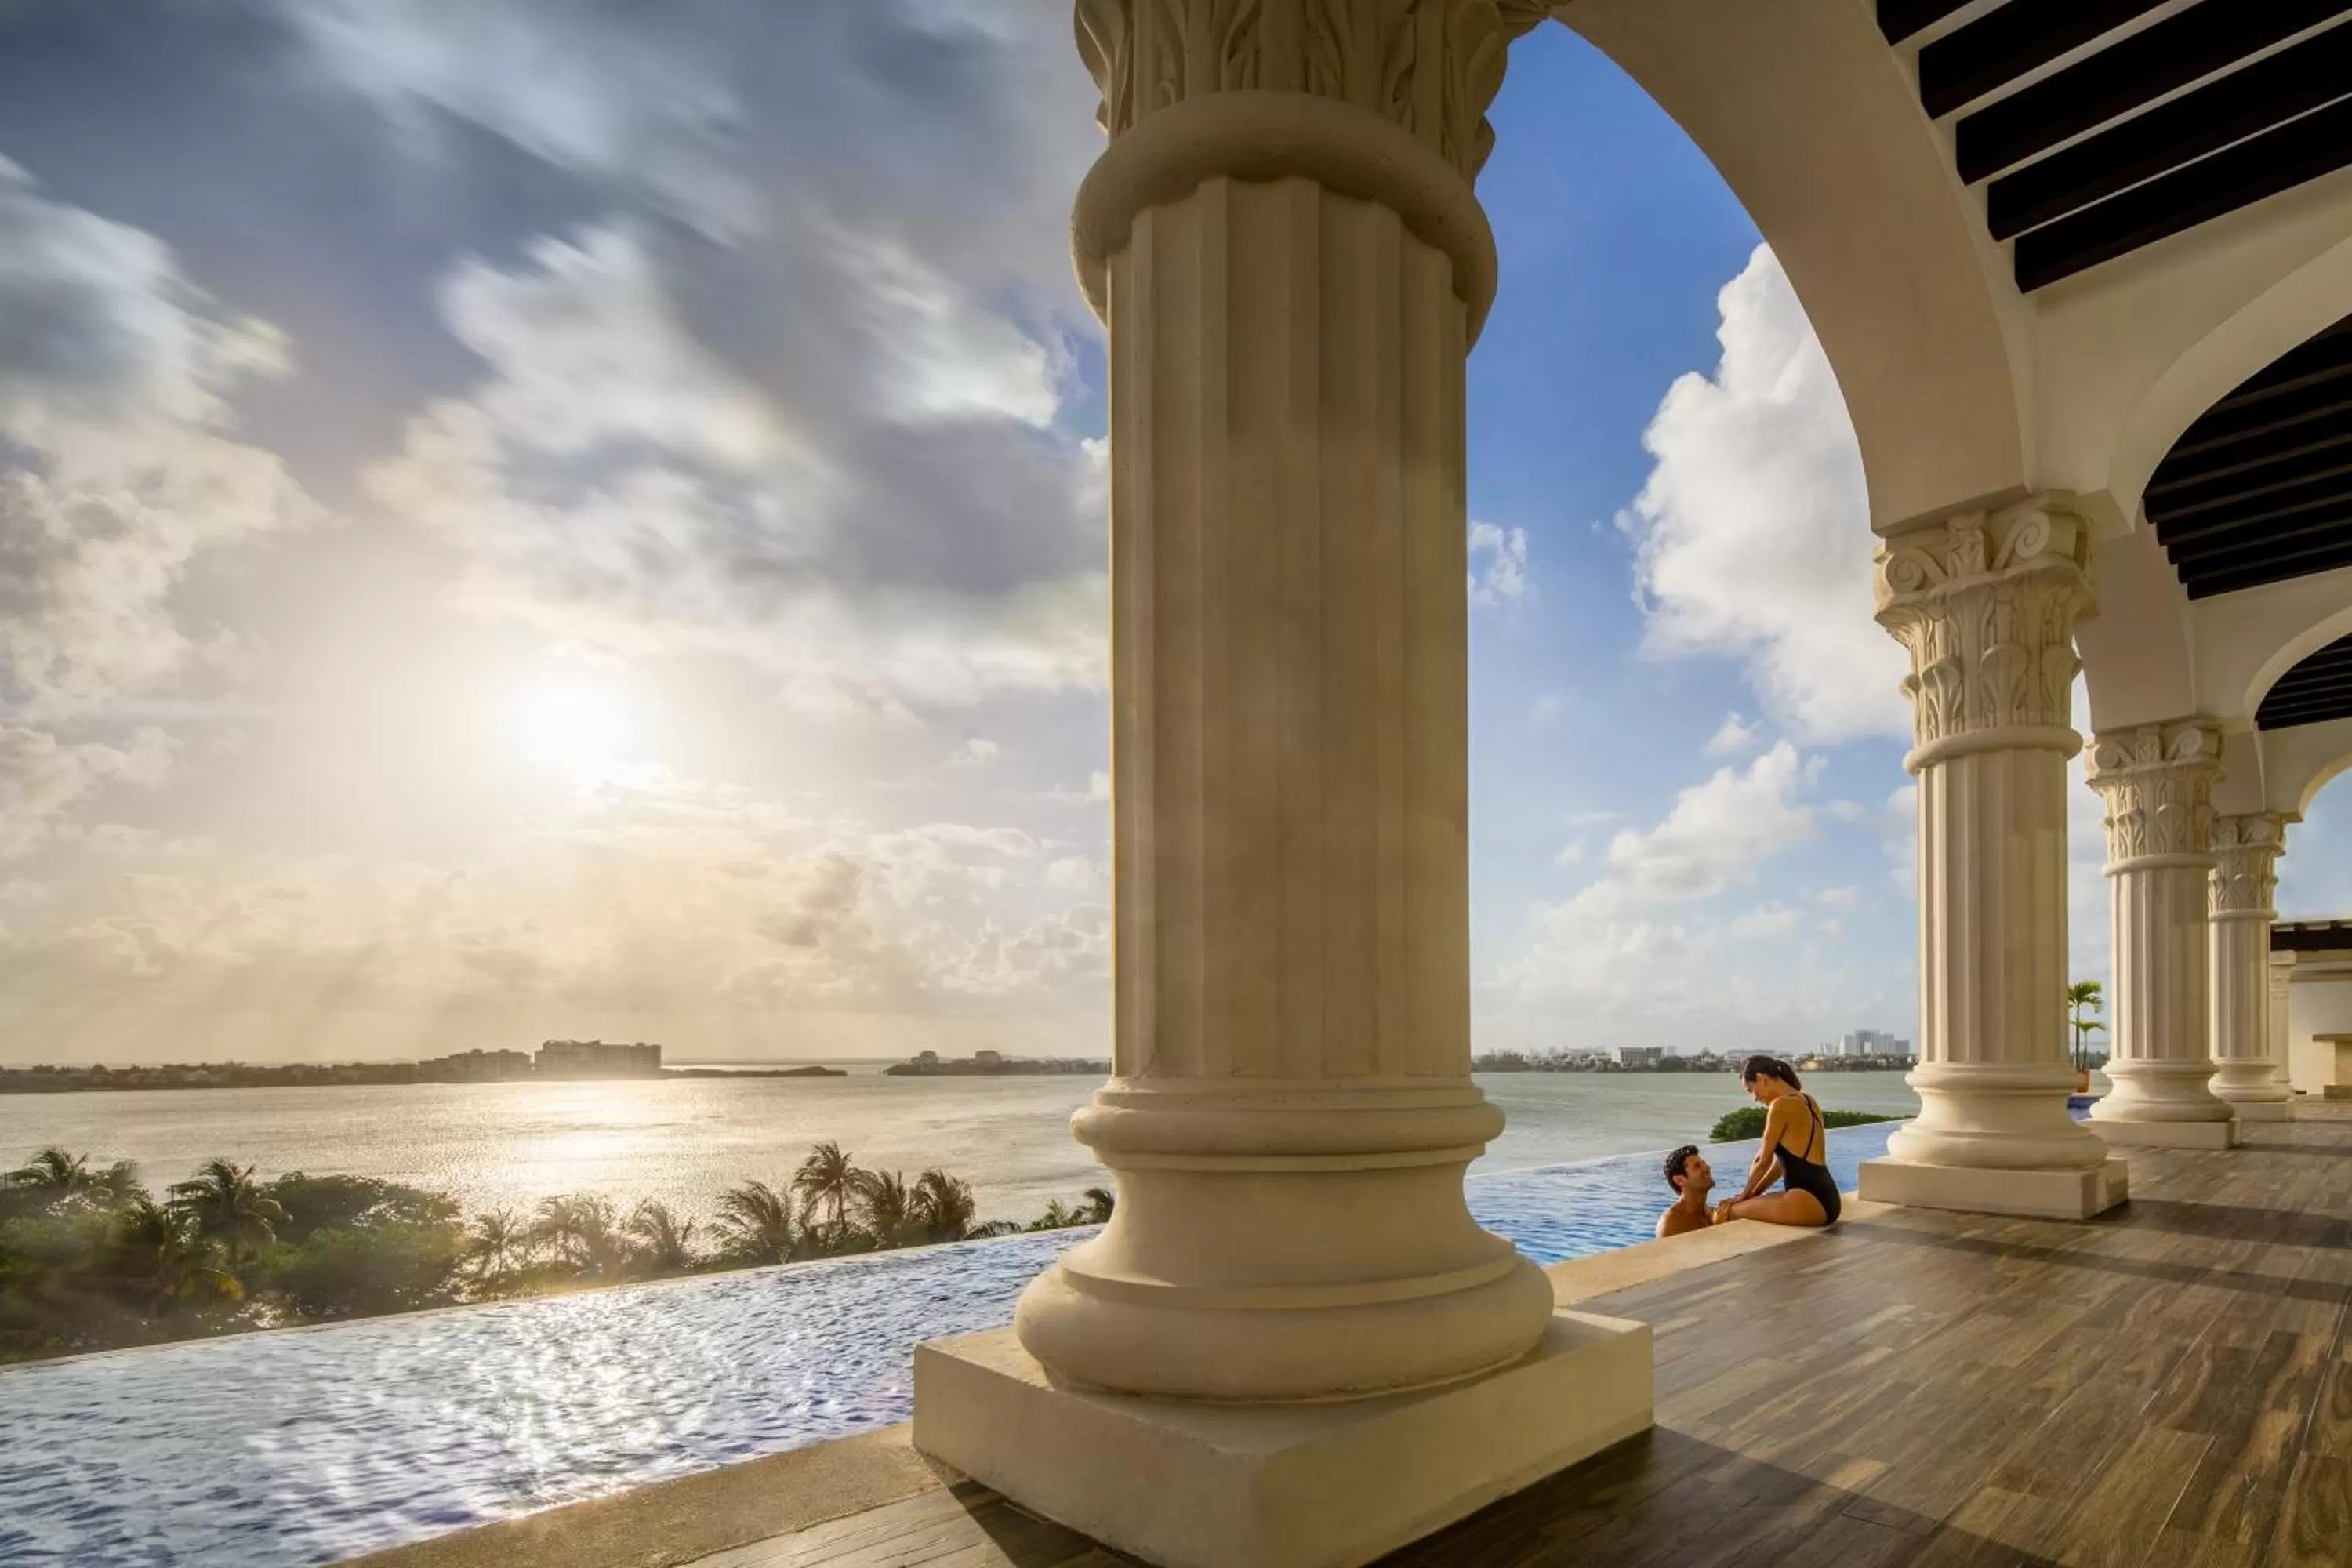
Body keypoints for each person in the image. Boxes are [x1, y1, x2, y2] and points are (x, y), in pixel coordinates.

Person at [1712, 1054, 1841, 1228]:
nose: (1754, 1098)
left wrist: (1743, 1195)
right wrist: (1754, 1193)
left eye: (1751, 1090)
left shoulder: (1780, 1105)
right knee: (1743, 1206)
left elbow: (1762, 1160)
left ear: (1761, 1079)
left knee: (1725, 1213)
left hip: (1807, 1202)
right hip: (1829, 1200)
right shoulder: (1808, 1100)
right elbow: (1780, 1165)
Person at [1656, 1144, 1714, 1238]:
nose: (1707, 1168)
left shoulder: (1713, 1214)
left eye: (1704, 1163)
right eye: (1697, 1166)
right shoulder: (1671, 1223)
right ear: (1679, 1180)